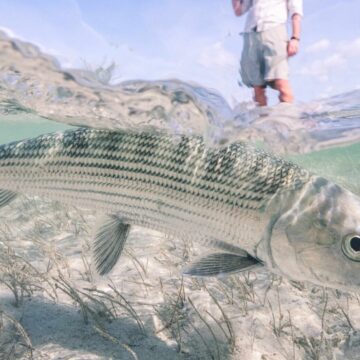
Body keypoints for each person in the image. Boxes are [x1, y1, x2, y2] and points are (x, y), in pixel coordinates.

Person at [232, 0, 303, 106]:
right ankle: (262, 119)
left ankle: (290, 119)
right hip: (250, 34)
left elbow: (296, 11)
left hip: (274, 30)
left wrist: (295, 38)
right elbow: (238, 11)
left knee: (281, 82)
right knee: (257, 88)